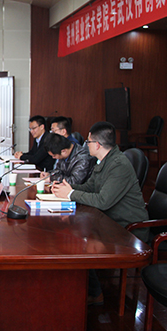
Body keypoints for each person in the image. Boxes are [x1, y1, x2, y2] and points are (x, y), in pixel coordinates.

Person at [51, 121, 149, 304]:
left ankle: (95, 294)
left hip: (128, 228)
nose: (85, 145)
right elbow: (90, 187)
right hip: (108, 220)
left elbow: (103, 201)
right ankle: (78, 287)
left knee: (78, 241)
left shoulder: (119, 165)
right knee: (71, 233)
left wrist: (71, 194)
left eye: (88, 142)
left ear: (97, 145)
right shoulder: (104, 161)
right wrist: (67, 188)